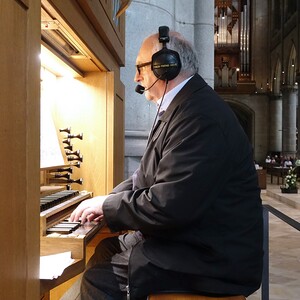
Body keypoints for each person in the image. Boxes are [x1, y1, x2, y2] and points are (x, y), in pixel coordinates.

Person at [69, 26, 264, 300]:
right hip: (192, 240)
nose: (137, 77)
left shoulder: (200, 116)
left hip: (212, 258)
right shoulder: (184, 107)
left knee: (99, 280)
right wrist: (107, 201)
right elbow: (144, 176)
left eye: (141, 67)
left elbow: (170, 205)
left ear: (167, 66)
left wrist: (108, 206)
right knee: (105, 249)